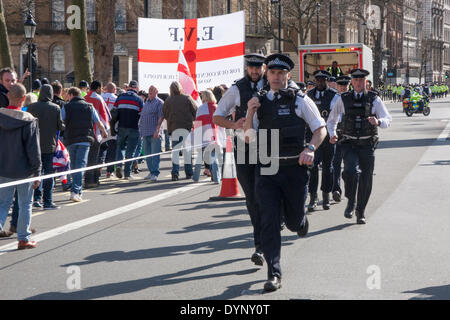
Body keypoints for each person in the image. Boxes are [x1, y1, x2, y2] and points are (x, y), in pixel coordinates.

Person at [244, 53, 327, 292]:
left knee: (293, 221)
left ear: (287, 75)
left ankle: (300, 222)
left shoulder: (300, 100)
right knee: (268, 221)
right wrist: (250, 112)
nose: (277, 77)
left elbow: (319, 129)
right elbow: (248, 138)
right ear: (267, 75)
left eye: (281, 73)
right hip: (267, 169)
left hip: (294, 169)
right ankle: (274, 274)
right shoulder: (259, 102)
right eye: (272, 73)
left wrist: (311, 148)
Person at [213, 53, 267, 267]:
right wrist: (233, 125)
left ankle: (270, 229)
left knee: (268, 194)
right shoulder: (236, 89)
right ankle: (259, 245)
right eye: (251, 68)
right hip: (244, 147)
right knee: (253, 198)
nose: (254, 71)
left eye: (258, 68)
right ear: (247, 68)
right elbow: (216, 116)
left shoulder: (273, 83)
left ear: (264, 67)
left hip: (269, 145)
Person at [327, 69, 392, 224]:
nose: (358, 83)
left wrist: (378, 122)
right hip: (348, 143)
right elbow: (332, 120)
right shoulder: (343, 99)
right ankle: (351, 201)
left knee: (366, 178)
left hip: (367, 143)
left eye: (361, 80)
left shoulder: (374, 99)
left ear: (365, 82)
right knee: (350, 171)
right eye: (355, 80)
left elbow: (387, 118)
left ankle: (360, 210)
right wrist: (332, 134)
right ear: (352, 82)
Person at [0, 83, 41, 249]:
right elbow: (33, 149)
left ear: (8, 96)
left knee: (3, 203)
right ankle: (23, 238)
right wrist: (37, 171)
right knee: (25, 204)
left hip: (3, 167)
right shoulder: (29, 120)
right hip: (24, 170)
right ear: (24, 99)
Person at [62, 87, 108, 202]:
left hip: (70, 139)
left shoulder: (66, 107)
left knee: (73, 165)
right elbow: (98, 122)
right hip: (85, 139)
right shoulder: (89, 106)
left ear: (71, 95)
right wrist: (104, 132)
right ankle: (76, 190)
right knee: (81, 165)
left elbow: (61, 120)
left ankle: (77, 190)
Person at [27, 84, 65, 210]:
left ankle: (36, 198)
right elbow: (60, 126)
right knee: (48, 174)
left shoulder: (31, 107)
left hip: (33, 145)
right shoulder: (55, 108)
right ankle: (47, 201)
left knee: (36, 173)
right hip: (49, 145)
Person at [306, 70, 339, 211]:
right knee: (312, 166)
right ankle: (313, 197)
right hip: (313, 136)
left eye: (323, 80)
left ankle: (326, 195)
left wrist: (334, 133)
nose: (320, 82)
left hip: (328, 137)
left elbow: (337, 117)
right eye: (318, 80)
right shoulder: (308, 95)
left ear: (327, 80)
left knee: (328, 167)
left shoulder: (334, 96)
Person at [162, 81, 197, 181]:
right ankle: (189, 172)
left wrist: (171, 118)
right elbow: (195, 110)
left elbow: (164, 113)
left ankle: (175, 173)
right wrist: (192, 119)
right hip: (186, 127)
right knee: (187, 152)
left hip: (174, 128)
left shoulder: (168, 100)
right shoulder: (187, 98)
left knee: (176, 152)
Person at [111, 80, 144, 180]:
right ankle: (127, 174)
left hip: (121, 126)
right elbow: (142, 115)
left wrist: (113, 126)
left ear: (129, 87)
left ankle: (119, 166)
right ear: (137, 88)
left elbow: (114, 111)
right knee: (131, 151)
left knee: (120, 147)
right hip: (134, 127)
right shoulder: (139, 99)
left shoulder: (120, 97)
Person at [192, 90, 225, 183]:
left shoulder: (201, 108)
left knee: (201, 156)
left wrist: (197, 138)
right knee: (213, 157)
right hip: (215, 136)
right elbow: (222, 124)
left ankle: (196, 177)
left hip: (204, 136)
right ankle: (216, 177)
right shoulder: (218, 108)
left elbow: (197, 124)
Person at [84, 80, 111, 187]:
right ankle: (92, 180)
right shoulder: (99, 98)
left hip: (85, 131)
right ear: (99, 88)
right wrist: (105, 130)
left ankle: (87, 179)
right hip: (96, 131)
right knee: (94, 157)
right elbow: (105, 116)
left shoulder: (85, 97)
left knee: (86, 158)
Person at [332, 75, 351, 202]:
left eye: (345, 85)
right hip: (337, 132)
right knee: (336, 163)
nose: (343, 87)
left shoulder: (352, 98)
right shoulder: (332, 98)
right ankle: (336, 189)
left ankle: (350, 190)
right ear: (337, 86)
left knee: (350, 165)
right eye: (341, 85)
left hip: (350, 133)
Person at [139, 85, 164, 182]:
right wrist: (141, 131)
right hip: (145, 132)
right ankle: (151, 171)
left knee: (154, 154)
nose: (149, 93)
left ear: (156, 92)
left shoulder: (159, 103)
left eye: (151, 91)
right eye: (149, 91)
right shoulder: (146, 103)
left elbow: (161, 117)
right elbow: (143, 117)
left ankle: (155, 173)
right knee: (148, 154)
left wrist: (157, 130)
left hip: (154, 132)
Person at [100, 82, 118, 178]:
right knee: (112, 149)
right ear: (114, 90)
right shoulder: (116, 99)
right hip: (112, 127)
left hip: (100, 126)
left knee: (101, 148)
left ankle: (98, 169)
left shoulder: (100, 97)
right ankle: (109, 171)